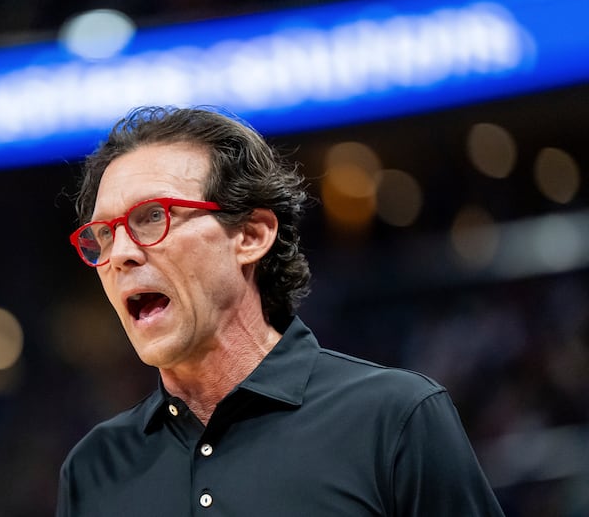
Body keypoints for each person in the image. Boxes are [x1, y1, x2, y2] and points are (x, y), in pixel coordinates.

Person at [57, 106, 505, 516]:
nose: (120, 254)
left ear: (251, 235)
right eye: (103, 234)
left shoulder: (395, 418)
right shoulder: (92, 469)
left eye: (153, 216)